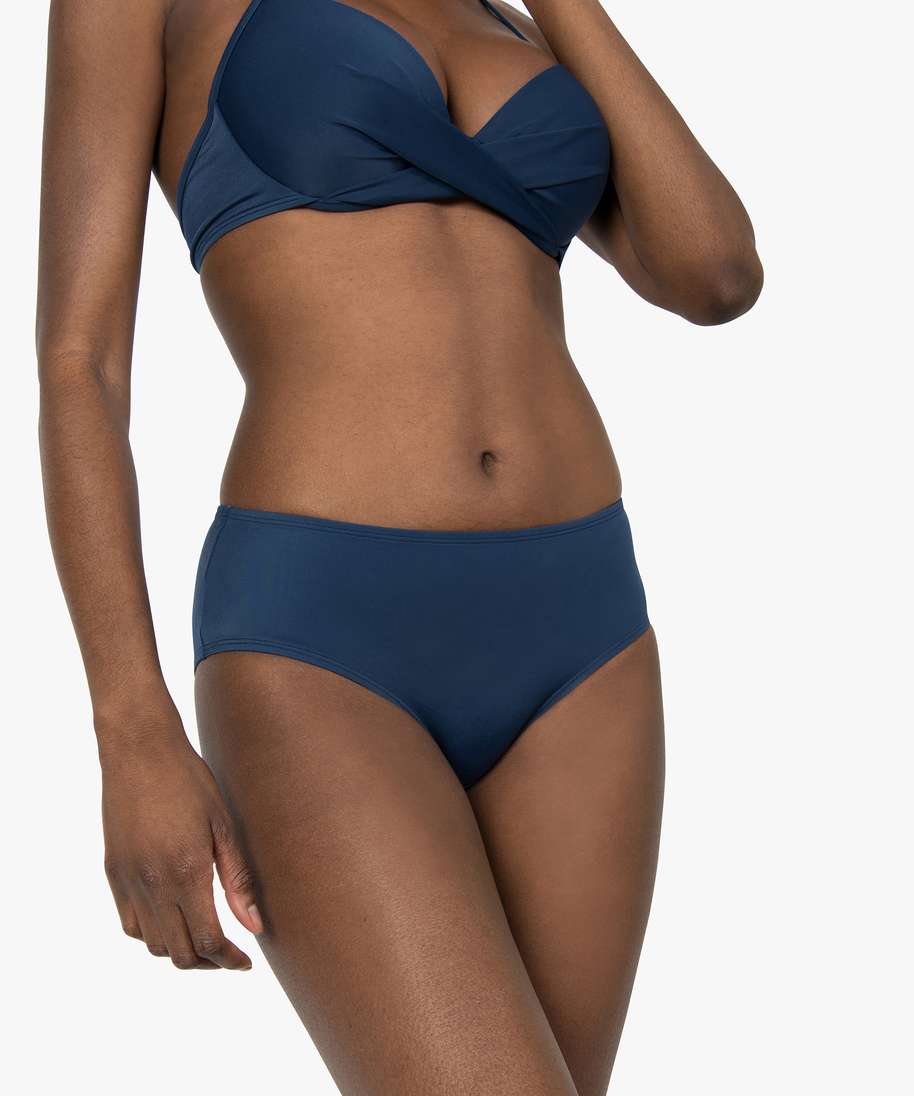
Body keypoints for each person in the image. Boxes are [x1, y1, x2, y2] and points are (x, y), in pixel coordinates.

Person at [37, 1, 762, 1092]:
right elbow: (79, 365)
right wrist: (129, 727)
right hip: (323, 636)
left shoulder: (507, 17)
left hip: (586, 636)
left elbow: (714, 274)